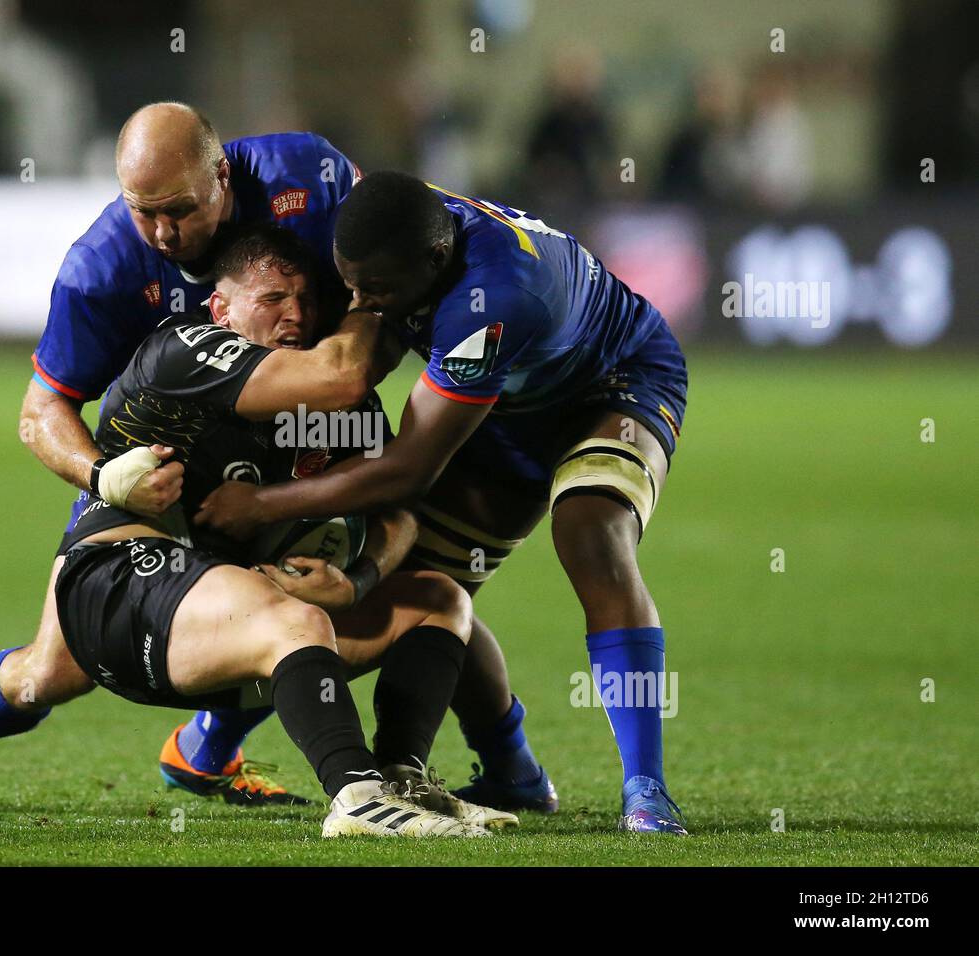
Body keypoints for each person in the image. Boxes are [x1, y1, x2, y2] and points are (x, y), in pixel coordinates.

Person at [0, 103, 553, 814]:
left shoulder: (309, 179)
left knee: (372, 594)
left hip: (267, 470)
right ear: (217, 308)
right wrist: (102, 474)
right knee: (49, 671)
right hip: (155, 493)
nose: (159, 233)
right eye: (141, 213)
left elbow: (373, 323)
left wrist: (359, 573)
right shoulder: (110, 277)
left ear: (222, 176)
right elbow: (40, 413)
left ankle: (242, 754)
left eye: (177, 210)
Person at [197, 171, 690, 834]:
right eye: (350, 283)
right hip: (509, 400)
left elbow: (408, 468)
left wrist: (265, 504)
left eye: (378, 291)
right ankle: (512, 772)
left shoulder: (496, 299)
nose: (361, 301)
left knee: (590, 533)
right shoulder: (395, 227)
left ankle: (647, 791)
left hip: (614, 386)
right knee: (423, 590)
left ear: (434, 261)